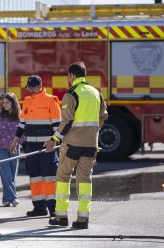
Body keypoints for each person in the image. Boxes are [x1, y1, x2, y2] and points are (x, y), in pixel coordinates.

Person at [45, 62, 108, 229]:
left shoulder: (71, 94)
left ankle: (61, 217)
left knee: (63, 178)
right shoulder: (96, 93)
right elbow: (103, 116)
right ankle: (82, 219)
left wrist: (53, 140)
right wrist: (92, 132)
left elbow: (66, 122)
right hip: (90, 145)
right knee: (85, 181)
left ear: (72, 76)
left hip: (72, 145)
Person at [10, 75, 61, 217]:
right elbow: (22, 124)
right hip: (31, 146)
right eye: (29, 88)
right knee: (35, 178)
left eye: (33, 87)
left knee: (49, 177)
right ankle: (39, 207)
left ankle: (53, 208)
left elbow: (57, 125)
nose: (30, 90)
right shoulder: (27, 101)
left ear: (40, 86)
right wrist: (15, 140)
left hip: (47, 146)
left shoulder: (51, 100)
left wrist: (54, 142)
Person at [0, 93, 22, 207]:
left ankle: (6, 199)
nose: (4, 105)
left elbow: (23, 133)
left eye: (7, 102)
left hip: (15, 149)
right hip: (1, 148)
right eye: (3, 103)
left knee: (12, 175)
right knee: (6, 175)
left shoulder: (20, 117)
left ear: (13, 103)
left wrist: (17, 144)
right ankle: (13, 198)